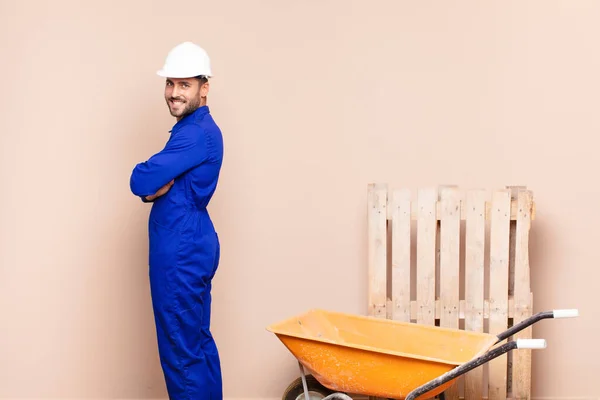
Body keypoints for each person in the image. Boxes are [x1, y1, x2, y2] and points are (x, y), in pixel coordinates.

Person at [129, 41, 224, 400]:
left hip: (181, 251)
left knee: (181, 354)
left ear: (204, 88)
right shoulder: (192, 130)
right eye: (170, 83)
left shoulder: (196, 134)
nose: (173, 93)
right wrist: (153, 187)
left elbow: (140, 179)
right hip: (190, 243)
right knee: (196, 345)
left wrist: (149, 183)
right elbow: (151, 185)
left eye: (184, 85)